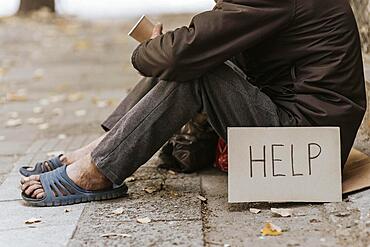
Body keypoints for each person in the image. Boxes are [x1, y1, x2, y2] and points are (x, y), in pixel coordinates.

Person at [20, 0, 366, 206]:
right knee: (194, 59)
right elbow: (206, 40)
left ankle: (97, 171)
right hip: (304, 128)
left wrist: (150, 50)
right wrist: (170, 50)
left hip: (308, 146)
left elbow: (181, 53)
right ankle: (96, 151)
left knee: (195, 67)